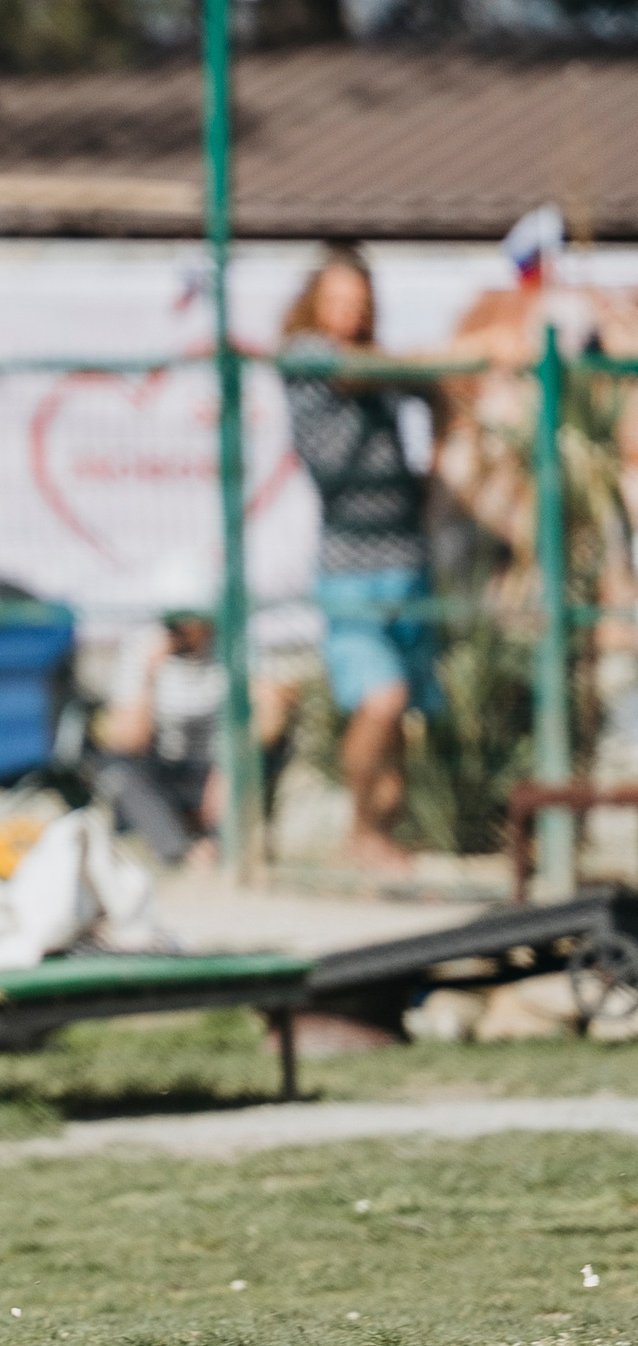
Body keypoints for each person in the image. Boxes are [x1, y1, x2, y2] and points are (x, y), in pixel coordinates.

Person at [280, 244, 439, 875]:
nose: (348, 311)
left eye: (359, 302)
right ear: (315, 303)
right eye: (336, 300)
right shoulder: (308, 356)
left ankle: (384, 838)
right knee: (382, 700)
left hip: (409, 558)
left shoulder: (385, 372)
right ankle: (361, 830)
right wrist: (439, 361)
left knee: (403, 713)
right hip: (351, 564)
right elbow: (358, 370)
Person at [95, 565, 295, 869]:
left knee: (265, 756)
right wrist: (149, 677)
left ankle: (220, 846)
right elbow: (128, 742)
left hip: (217, 766)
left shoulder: (237, 645)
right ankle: (181, 853)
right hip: (165, 768)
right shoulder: (141, 647)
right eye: (170, 619)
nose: (176, 628)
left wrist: (231, 764)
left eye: (185, 619)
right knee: (116, 768)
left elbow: (271, 721)